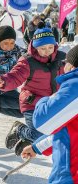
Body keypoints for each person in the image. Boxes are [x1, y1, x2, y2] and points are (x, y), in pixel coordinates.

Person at [0, 25, 66, 153]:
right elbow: (16, 75)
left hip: (53, 103)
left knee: (58, 134)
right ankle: (20, 130)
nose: (47, 51)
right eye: (42, 48)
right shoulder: (28, 61)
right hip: (32, 103)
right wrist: (4, 81)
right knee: (40, 136)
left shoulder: (62, 58)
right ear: (35, 47)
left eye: (50, 47)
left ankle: (28, 140)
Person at [21, 45, 78, 184]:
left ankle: (21, 131)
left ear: (71, 65)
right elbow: (67, 129)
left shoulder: (74, 86)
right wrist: (37, 147)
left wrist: (47, 98)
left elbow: (43, 121)